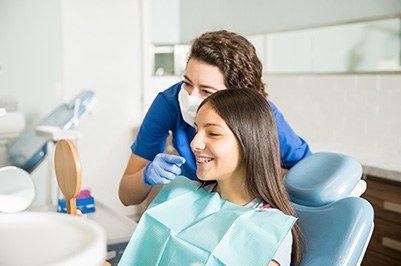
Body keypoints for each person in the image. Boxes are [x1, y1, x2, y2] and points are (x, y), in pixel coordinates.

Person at [119, 29, 311, 206]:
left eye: (206, 90)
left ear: (238, 99)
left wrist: (254, 173)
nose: (191, 96)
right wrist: (146, 175)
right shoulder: (170, 103)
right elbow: (127, 196)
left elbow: (308, 181)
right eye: (187, 82)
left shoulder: (261, 116)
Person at [119, 89, 301, 266]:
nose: (194, 143)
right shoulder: (179, 194)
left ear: (250, 143)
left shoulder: (269, 229)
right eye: (196, 130)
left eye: (213, 133)